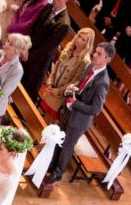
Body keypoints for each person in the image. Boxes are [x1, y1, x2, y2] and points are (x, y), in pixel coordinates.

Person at [45, 42, 113, 185]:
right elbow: (81, 85)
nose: (95, 55)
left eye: (99, 54)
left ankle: (57, 173)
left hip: (80, 119)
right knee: (59, 138)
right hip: (70, 110)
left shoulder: (103, 82)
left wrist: (76, 103)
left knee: (67, 146)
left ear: (107, 59)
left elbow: (96, 109)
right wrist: (73, 88)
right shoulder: (90, 67)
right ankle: (50, 165)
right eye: (96, 51)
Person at [20, 0, 74, 97]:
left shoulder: (64, 24)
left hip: (37, 65)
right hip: (27, 52)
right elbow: (33, 28)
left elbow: (47, 48)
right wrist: (25, 48)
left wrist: (29, 57)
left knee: (26, 95)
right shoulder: (48, 7)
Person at [40, 27, 95, 119]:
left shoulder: (85, 61)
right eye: (79, 36)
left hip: (61, 95)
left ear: (87, 44)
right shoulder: (69, 46)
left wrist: (57, 91)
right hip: (52, 88)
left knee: (50, 122)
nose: (79, 40)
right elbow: (57, 65)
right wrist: (50, 82)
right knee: (41, 115)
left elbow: (74, 82)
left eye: (83, 40)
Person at [0, 33, 31, 118]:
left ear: (17, 50)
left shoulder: (17, 70)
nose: (6, 44)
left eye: (11, 44)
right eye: (8, 41)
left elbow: (3, 93)